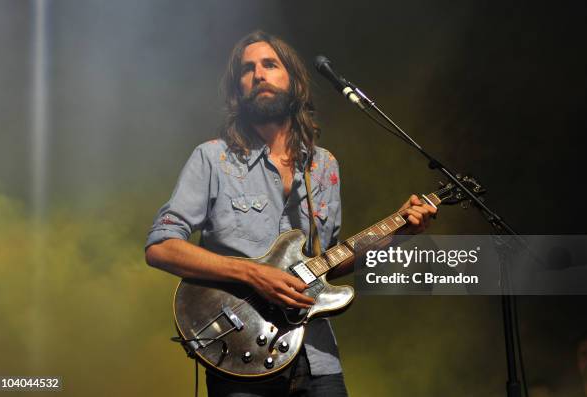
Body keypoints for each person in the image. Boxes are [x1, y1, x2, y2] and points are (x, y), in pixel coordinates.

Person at [144, 30, 437, 397]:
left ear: (295, 81)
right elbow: (161, 246)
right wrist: (254, 273)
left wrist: (398, 235)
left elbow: (328, 263)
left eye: (270, 64)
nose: (259, 74)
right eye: (248, 69)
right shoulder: (212, 159)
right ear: (238, 89)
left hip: (316, 358)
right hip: (240, 355)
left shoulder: (324, 165)